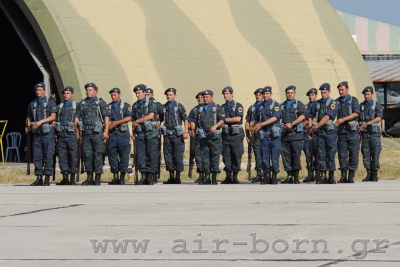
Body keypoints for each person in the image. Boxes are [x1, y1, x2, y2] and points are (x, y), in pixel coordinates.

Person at [74, 83, 110, 186]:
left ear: (95, 91)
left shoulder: (100, 103)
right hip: (85, 133)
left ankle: (98, 176)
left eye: (90, 90)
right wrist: (77, 131)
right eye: (87, 90)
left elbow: (106, 117)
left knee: (98, 154)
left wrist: (106, 131)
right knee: (87, 155)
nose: (88, 92)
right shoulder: (82, 103)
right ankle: (89, 176)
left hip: (97, 133)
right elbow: (77, 118)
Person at [25, 82, 57, 186]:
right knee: (37, 156)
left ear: (44, 91)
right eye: (37, 90)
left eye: (40, 90)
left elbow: (53, 117)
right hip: (37, 134)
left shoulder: (50, 102)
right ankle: (39, 177)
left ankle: (47, 177)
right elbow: (29, 117)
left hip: (47, 133)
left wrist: (41, 122)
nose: (38, 92)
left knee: (48, 154)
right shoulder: (33, 103)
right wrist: (28, 126)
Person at [192, 90, 225, 185]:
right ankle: (207, 177)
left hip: (214, 137)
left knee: (214, 156)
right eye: (204, 97)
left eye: (207, 97)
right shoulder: (199, 109)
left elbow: (222, 120)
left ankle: (214, 177)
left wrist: (215, 126)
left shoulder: (217, 108)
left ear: (212, 97)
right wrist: (194, 129)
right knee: (205, 157)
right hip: (203, 137)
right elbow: (193, 120)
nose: (206, 99)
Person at [309, 83, 338, 184]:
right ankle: (323, 176)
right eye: (322, 93)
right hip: (320, 133)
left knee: (330, 154)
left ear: (329, 92)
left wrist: (316, 126)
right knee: (321, 154)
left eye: (325, 92)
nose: (324, 94)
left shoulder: (333, 103)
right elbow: (313, 116)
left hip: (330, 133)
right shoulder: (317, 103)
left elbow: (326, 117)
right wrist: (311, 127)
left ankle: (331, 176)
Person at [252, 86, 281, 185]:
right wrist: (254, 126)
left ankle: (274, 176)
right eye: (263, 94)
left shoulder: (275, 105)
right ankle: (267, 176)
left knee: (275, 156)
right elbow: (256, 118)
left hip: (274, 136)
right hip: (264, 135)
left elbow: (274, 118)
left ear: (271, 94)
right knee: (264, 156)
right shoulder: (259, 106)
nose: (265, 95)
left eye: (267, 93)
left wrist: (261, 124)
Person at [159, 88, 189, 184]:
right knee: (168, 156)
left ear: (175, 95)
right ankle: (171, 176)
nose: (169, 96)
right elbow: (159, 120)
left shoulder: (179, 106)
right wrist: (158, 130)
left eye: (170, 95)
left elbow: (185, 119)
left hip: (177, 136)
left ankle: (178, 177)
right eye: (167, 95)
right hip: (167, 135)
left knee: (178, 155)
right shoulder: (163, 107)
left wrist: (186, 131)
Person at [131, 84, 159, 185]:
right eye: (136, 93)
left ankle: (150, 177)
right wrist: (133, 133)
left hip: (151, 133)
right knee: (141, 156)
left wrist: (138, 121)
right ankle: (143, 176)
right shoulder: (135, 105)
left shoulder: (151, 102)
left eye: (139, 93)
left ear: (144, 92)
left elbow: (151, 116)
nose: (137, 95)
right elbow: (133, 121)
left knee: (151, 154)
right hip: (140, 133)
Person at [335, 81, 360, 183]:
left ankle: (351, 175)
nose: (341, 92)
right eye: (339, 90)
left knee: (353, 153)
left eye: (342, 90)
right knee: (342, 154)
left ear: (347, 89)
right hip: (341, 132)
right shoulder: (336, 101)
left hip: (352, 132)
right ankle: (343, 175)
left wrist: (343, 119)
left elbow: (356, 113)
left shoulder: (353, 100)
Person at [280, 86, 306, 184]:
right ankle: (289, 176)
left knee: (296, 155)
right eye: (288, 93)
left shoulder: (298, 104)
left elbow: (303, 115)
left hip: (296, 135)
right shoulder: (282, 105)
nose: (289, 94)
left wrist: (292, 124)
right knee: (286, 156)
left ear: (294, 93)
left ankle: (296, 176)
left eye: (291, 93)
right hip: (285, 135)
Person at [107, 88, 132, 185]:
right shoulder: (108, 106)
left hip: (123, 135)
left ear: (119, 95)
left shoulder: (126, 106)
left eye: (115, 95)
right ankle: (115, 177)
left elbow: (129, 117)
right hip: (112, 134)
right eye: (112, 95)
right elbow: (105, 119)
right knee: (112, 156)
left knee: (124, 156)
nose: (113, 97)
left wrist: (117, 123)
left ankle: (122, 177)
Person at [220, 86, 244, 184]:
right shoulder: (222, 107)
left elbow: (238, 119)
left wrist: (224, 120)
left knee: (236, 154)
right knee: (226, 156)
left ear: (232, 94)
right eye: (224, 94)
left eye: (227, 93)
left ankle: (235, 176)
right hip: (226, 134)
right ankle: (228, 176)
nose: (225, 96)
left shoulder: (238, 105)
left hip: (236, 135)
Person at [55, 86, 78, 185]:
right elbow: (55, 120)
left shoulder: (77, 106)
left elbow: (79, 120)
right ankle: (65, 177)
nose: (66, 95)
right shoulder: (59, 106)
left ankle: (72, 177)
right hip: (61, 135)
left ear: (72, 94)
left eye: (68, 93)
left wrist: (78, 132)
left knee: (72, 156)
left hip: (72, 134)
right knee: (62, 156)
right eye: (64, 93)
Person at [359, 86, 383, 182]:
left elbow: (379, 118)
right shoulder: (361, 106)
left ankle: (374, 173)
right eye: (365, 95)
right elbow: (359, 118)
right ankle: (368, 173)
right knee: (365, 153)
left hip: (374, 134)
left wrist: (368, 123)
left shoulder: (376, 105)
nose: (366, 96)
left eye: (368, 94)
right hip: (365, 134)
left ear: (372, 94)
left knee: (375, 153)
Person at [245, 88, 264, 183]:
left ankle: (267, 173)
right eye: (256, 95)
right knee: (257, 153)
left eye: (259, 95)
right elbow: (247, 121)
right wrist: (247, 135)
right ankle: (259, 174)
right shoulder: (252, 108)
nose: (258, 96)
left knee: (265, 154)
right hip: (255, 136)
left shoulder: (265, 106)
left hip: (265, 135)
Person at [145, 87, 163, 183]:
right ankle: (148, 175)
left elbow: (162, 117)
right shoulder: (142, 104)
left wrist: (158, 128)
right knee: (147, 154)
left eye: (149, 94)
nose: (147, 96)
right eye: (146, 94)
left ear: (153, 95)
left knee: (155, 155)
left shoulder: (158, 105)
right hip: (146, 132)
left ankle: (155, 174)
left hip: (155, 133)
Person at [302, 88, 319, 183]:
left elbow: (317, 117)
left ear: (316, 95)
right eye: (309, 95)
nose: (311, 96)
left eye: (312, 95)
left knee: (317, 154)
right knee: (308, 155)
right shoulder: (306, 106)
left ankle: (318, 174)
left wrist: (309, 122)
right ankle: (310, 174)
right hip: (306, 133)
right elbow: (303, 117)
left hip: (315, 132)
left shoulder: (318, 105)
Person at [188, 91, 205, 182]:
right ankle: (201, 175)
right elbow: (191, 120)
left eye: (201, 97)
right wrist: (191, 130)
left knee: (206, 156)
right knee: (198, 156)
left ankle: (207, 175)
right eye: (198, 97)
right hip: (197, 135)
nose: (199, 99)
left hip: (207, 136)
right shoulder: (195, 110)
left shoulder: (210, 108)